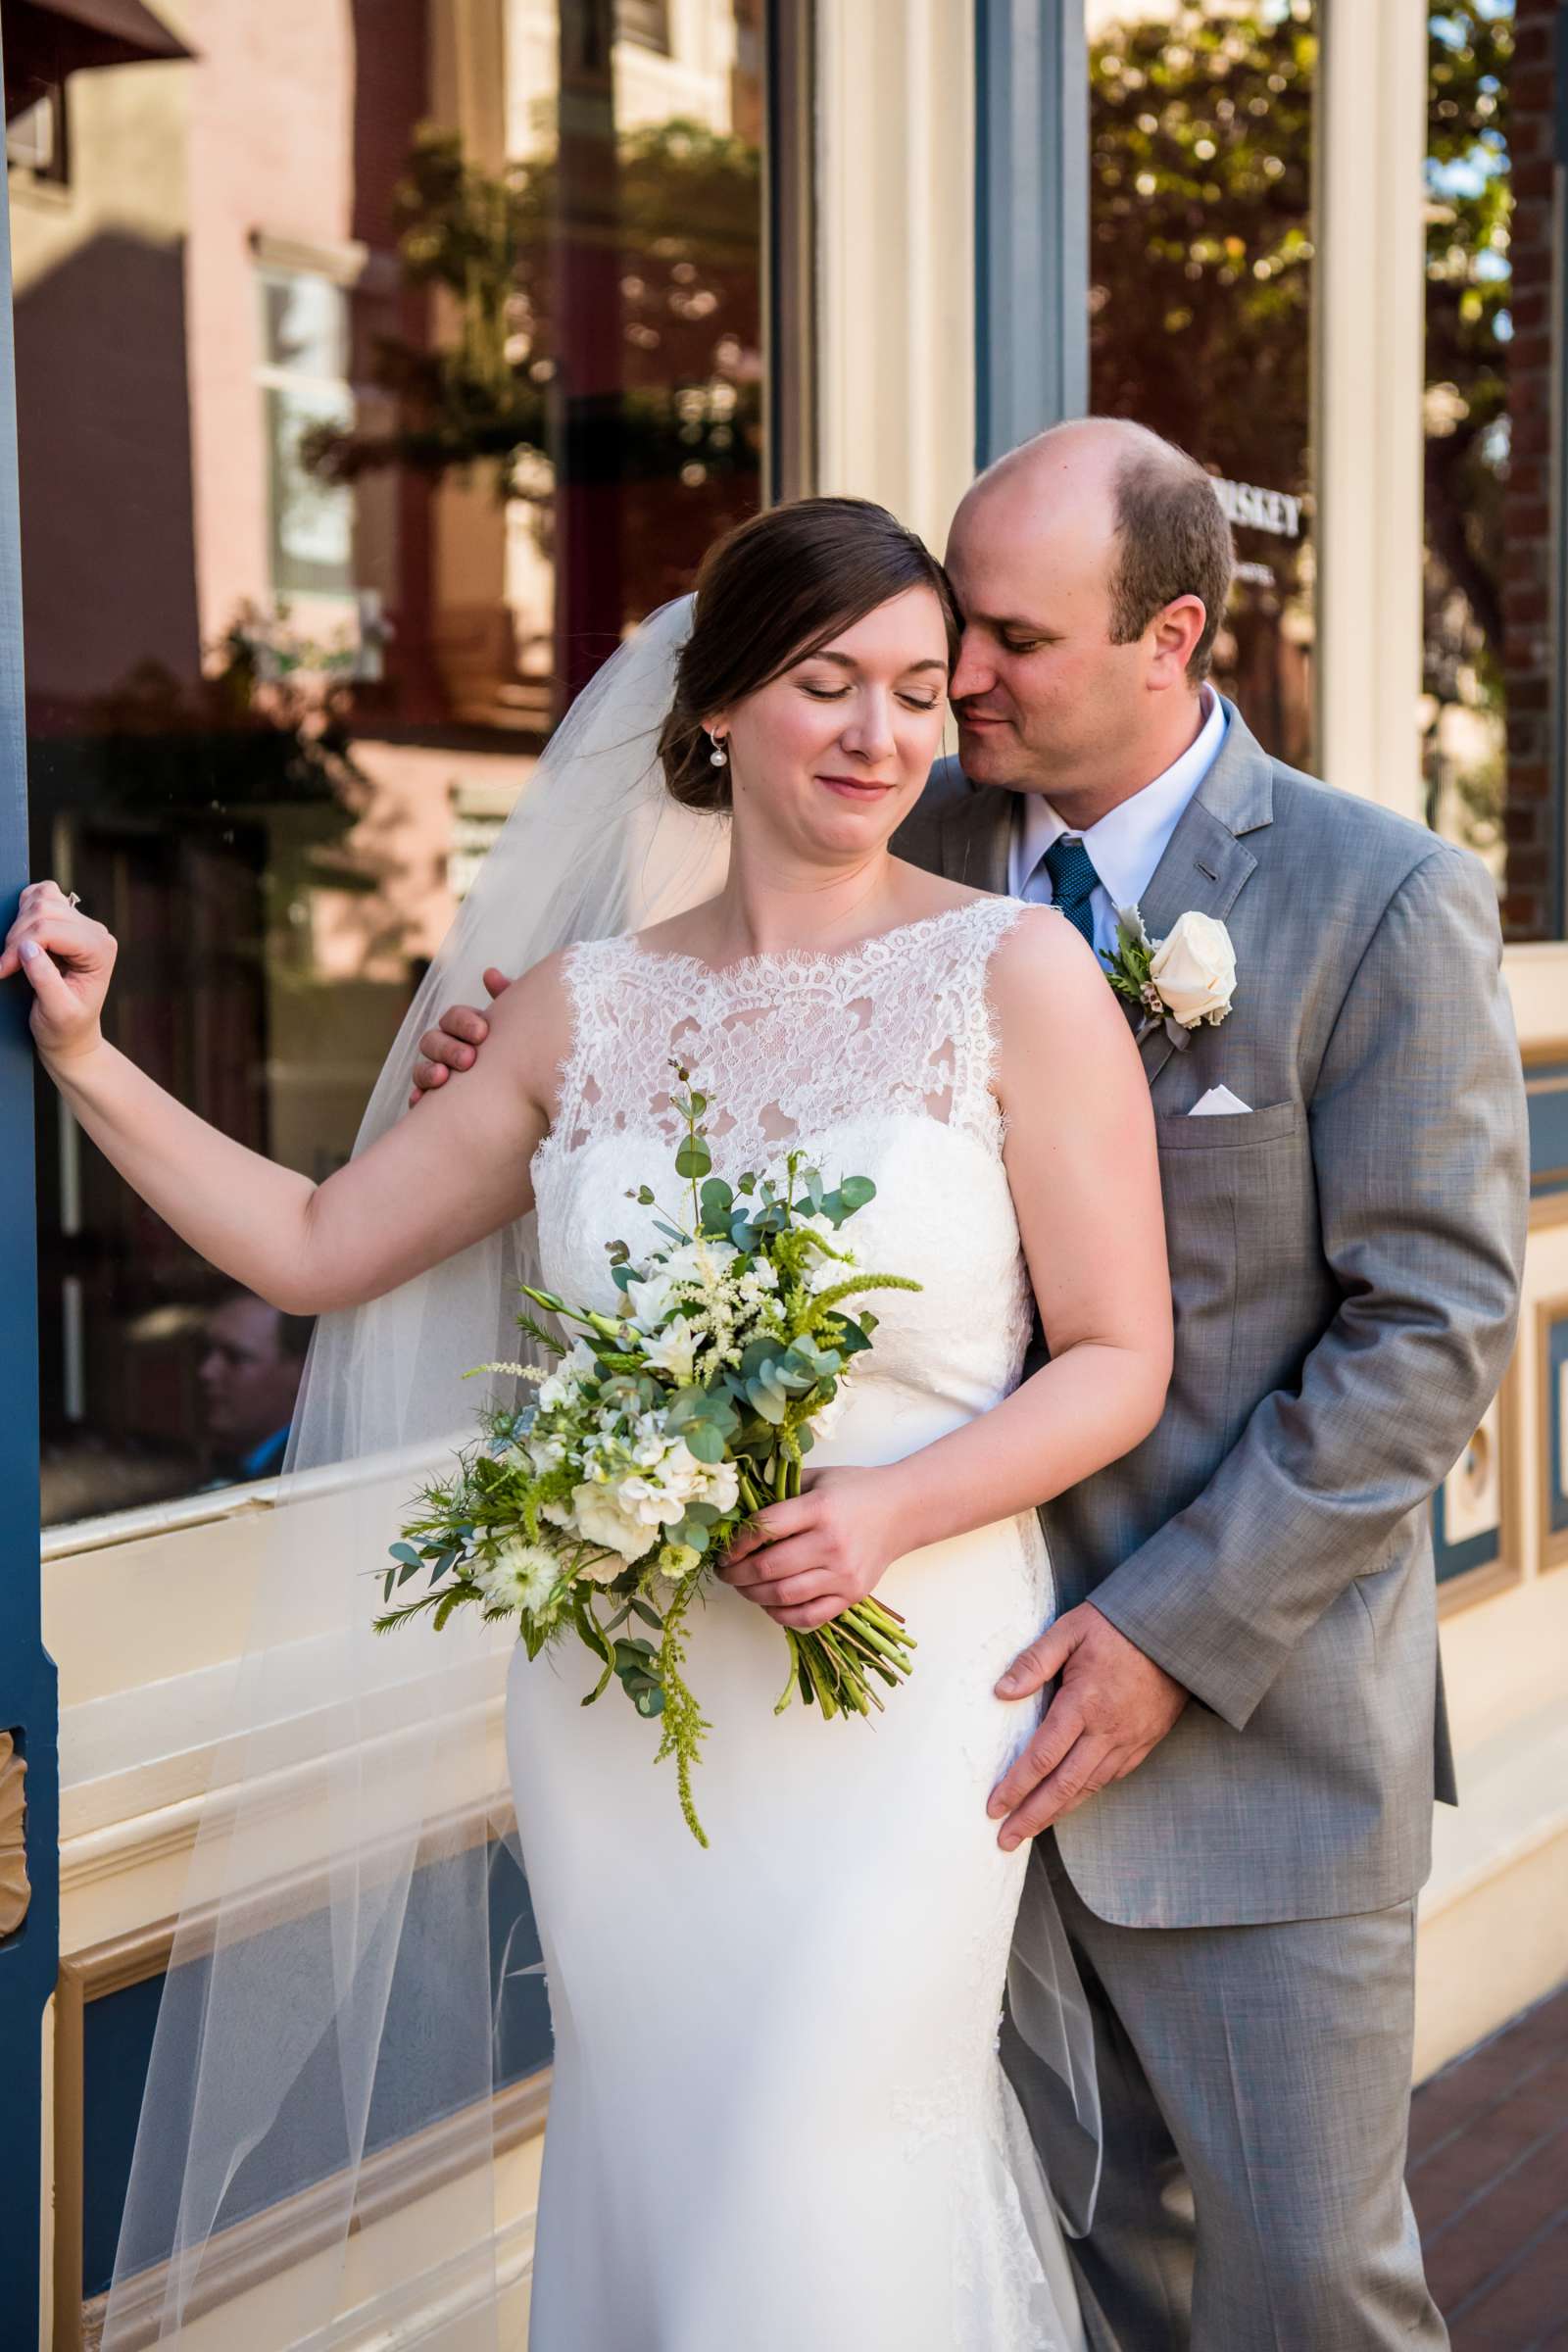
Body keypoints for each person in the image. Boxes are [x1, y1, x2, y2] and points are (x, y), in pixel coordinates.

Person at [5, 496, 1175, 2349]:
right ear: (717, 706)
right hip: (625, 1717)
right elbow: (319, 1246)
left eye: (919, 694)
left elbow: (1120, 1355)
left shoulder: (1013, 978)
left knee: (825, 2180)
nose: (884, 738)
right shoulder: (579, 1014)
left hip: (903, 1695)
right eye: (827, 685)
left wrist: (887, 1512)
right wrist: (89, 1060)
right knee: (666, 2173)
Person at [413, 420, 1531, 2350]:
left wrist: (1168, 1634)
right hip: (910, 1738)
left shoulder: (1374, 895)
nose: (945, 685)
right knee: (1040, 2275)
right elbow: (725, 1137)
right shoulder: (884, 843)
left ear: (1169, 634)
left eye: (997, 642)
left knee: (1299, 2290)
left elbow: (1426, 1329)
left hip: (1238, 1737)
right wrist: (538, 1095)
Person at [196, 1287, 311, 1485]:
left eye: (235, 1357)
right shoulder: (234, 1461)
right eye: (206, 1351)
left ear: (300, 1372)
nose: (207, 1371)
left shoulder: (309, 1473)